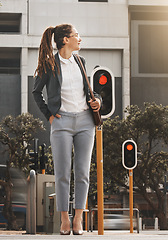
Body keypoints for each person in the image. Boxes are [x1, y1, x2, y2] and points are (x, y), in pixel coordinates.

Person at [32, 24, 101, 235]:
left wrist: (96, 100)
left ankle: (78, 218)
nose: (80, 39)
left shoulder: (81, 62)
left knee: (82, 173)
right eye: (76, 35)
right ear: (65, 40)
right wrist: (50, 115)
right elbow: (36, 92)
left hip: (85, 122)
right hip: (61, 123)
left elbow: (89, 91)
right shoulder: (49, 64)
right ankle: (64, 219)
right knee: (62, 174)